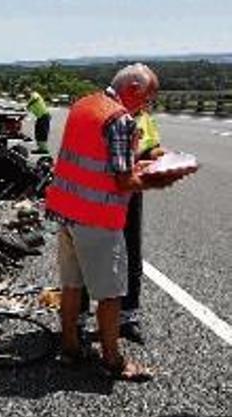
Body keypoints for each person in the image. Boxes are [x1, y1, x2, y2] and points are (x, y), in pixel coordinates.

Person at [45, 63, 167, 382]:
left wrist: (137, 159)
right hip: (96, 218)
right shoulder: (120, 119)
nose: (146, 107)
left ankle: (70, 348)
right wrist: (159, 176)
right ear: (133, 89)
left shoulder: (84, 105)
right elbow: (123, 180)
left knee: (72, 285)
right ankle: (113, 361)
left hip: (67, 212)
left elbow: (94, 157)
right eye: (147, 99)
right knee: (110, 293)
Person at [78, 95, 164, 345]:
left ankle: (127, 318)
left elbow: (152, 146)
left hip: (130, 194)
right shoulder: (102, 114)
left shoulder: (143, 118)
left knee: (131, 254)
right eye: (146, 96)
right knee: (88, 255)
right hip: (98, 193)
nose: (148, 103)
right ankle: (79, 321)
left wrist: (158, 156)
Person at [26, 88, 51, 153]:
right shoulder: (30, 99)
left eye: (27, 92)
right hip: (40, 117)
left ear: (30, 91)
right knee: (38, 133)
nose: (26, 94)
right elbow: (27, 110)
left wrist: (29, 104)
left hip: (44, 116)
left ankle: (44, 149)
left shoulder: (35, 94)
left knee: (42, 133)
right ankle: (40, 148)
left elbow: (35, 99)